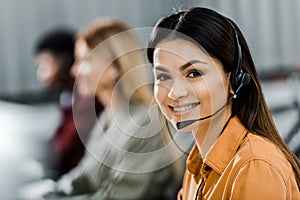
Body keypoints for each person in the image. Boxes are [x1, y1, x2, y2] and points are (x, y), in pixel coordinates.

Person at [146, 7, 300, 199]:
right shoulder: (197, 168)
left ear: (234, 79)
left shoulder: (254, 166)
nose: (174, 93)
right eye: (163, 76)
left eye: (193, 73)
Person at [37, 18, 175, 200]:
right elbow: (85, 174)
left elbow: (119, 195)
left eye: (84, 61)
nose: (74, 71)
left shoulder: (144, 123)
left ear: (113, 68)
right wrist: (54, 190)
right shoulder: (107, 117)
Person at [34, 29, 103, 177]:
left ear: (65, 61)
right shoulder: (68, 97)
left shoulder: (87, 99)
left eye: (46, 64)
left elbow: (66, 151)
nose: (41, 72)